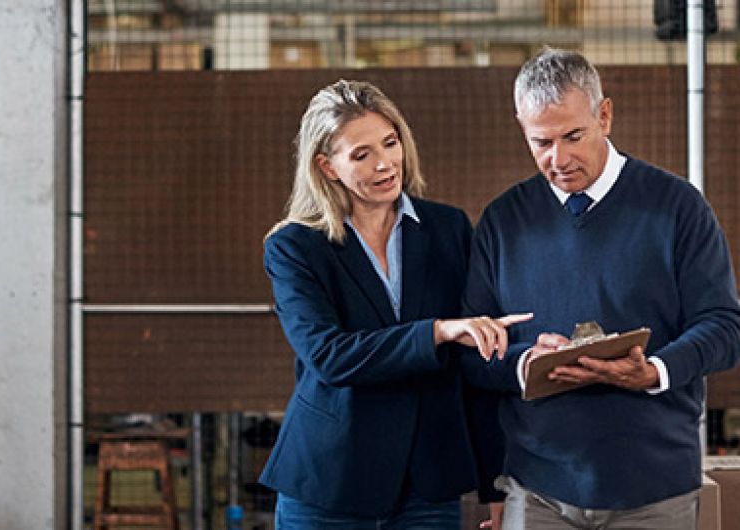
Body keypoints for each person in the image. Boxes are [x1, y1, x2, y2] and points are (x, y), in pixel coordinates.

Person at [463, 48, 740, 529]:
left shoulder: (677, 207)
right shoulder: (502, 221)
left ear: (605, 115)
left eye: (574, 136)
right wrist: (524, 362)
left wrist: (652, 370)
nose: (559, 158)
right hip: (537, 490)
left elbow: (724, 327)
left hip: (653, 488)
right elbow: (472, 349)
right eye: (541, 142)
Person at [260, 79, 531, 529]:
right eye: (361, 154)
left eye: (390, 143)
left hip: (428, 485)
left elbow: (475, 365)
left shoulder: (448, 229)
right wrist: (438, 331)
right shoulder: (295, 247)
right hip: (332, 483)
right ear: (327, 166)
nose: (385, 164)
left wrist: (493, 485)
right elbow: (330, 357)